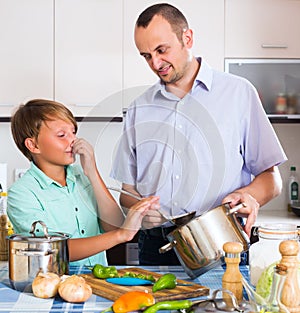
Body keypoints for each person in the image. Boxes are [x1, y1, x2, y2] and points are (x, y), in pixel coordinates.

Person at [111, 3, 287, 265]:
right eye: (146, 56)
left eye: (161, 50)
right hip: (157, 246)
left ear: (187, 38)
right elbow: (127, 192)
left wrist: (249, 195)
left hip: (222, 240)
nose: (156, 63)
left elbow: (272, 180)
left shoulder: (239, 93)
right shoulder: (138, 109)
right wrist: (140, 208)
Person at [7, 99, 159, 266]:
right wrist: (121, 235)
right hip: (54, 283)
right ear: (33, 145)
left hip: (97, 281)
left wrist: (92, 172)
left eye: (73, 132)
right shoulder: (21, 193)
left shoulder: (82, 176)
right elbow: (53, 250)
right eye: (62, 135)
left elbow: (113, 226)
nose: (73, 141)